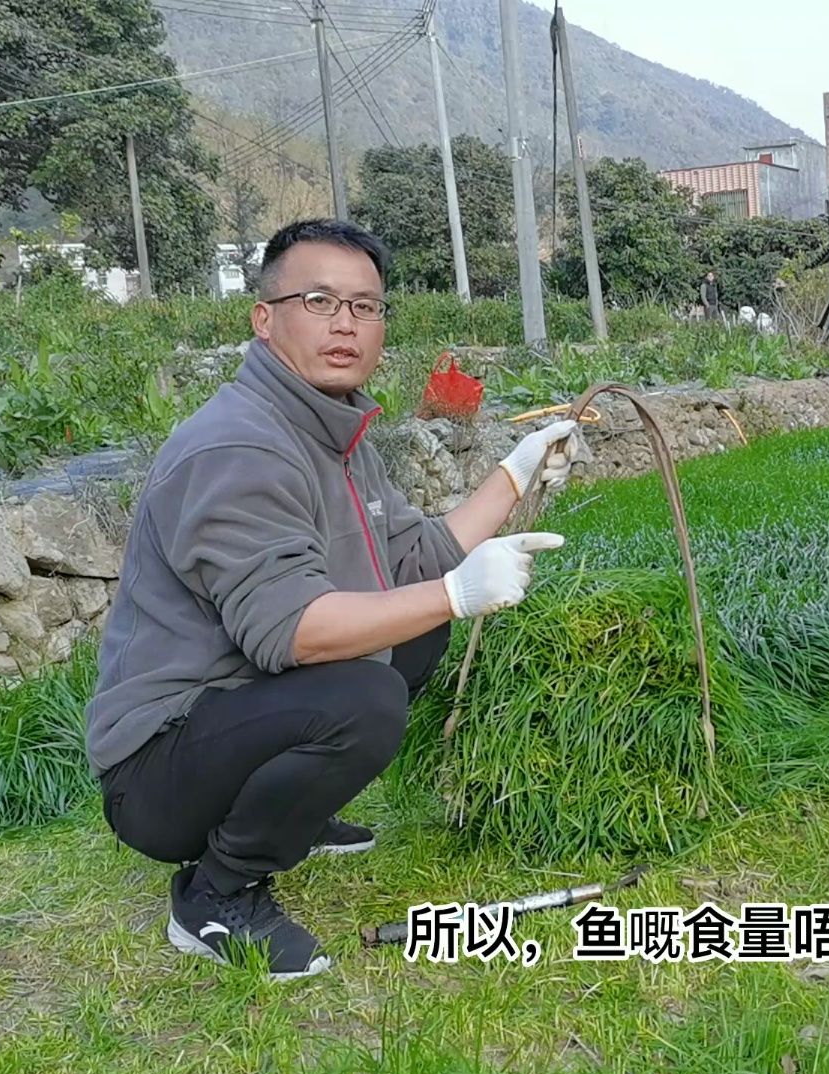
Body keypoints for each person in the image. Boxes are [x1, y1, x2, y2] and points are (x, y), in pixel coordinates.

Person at [87, 218, 578, 980]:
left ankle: (290, 813)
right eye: (319, 300)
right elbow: (295, 633)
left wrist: (514, 472)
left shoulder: (332, 430)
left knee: (414, 634)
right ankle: (218, 893)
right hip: (157, 764)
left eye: (365, 306)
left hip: (235, 707)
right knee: (367, 696)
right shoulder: (239, 448)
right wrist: (456, 593)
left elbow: (414, 557)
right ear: (265, 317)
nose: (346, 324)